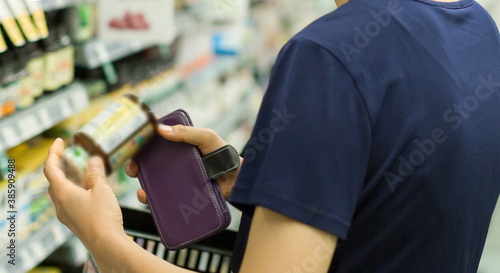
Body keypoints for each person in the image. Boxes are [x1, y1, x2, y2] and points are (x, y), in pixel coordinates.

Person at [44, 0, 500, 272]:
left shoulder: (328, 56)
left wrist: (102, 239)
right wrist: (254, 182)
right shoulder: (479, 30)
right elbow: (400, 208)